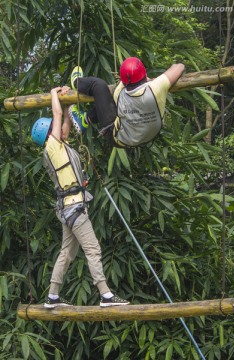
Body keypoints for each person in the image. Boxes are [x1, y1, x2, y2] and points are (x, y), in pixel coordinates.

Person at [31, 86, 130, 308]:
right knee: (93, 249)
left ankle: (53, 296)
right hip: (74, 209)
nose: (62, 129)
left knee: (67, 252)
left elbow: (64, 120)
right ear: (50, 133)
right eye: (56, 127)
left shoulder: (59, 147)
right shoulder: (52, 148)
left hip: (68, 208)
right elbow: (57, 116)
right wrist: (54, 94)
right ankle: (105, 295)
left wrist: (67, 106)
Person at [68, 57, 185, 148]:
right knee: (103, 93)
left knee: (98, 85)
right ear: (145, 74)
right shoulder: (155, 88)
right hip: (149, 135)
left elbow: (112, 95)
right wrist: (154, 80)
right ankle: (85, 119)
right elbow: (179, 66)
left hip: (120, 139)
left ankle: (78, 82)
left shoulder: (120, 93)